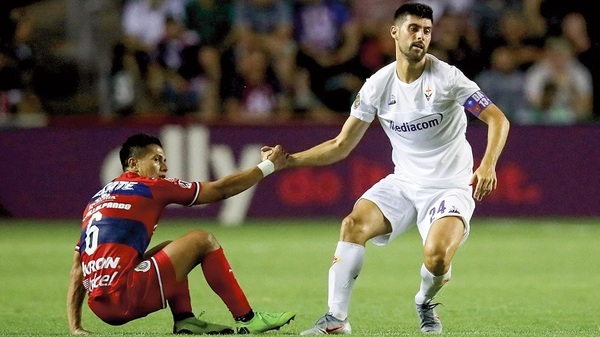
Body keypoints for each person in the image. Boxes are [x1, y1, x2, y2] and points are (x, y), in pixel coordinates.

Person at [280, 3, 510, 334]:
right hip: (403, 183)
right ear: (395, 32)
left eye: (427, 31)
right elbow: (341, 145)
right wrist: (291, 160)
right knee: (353, 224)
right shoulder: (377, 86)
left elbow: (497, 119)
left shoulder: (447, 78)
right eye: (413, 28)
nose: (421, 36)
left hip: (449, 187)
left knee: (437, 258)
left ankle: (424, 301)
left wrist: (488, 164)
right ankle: (336, 318)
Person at [66, 133, 295, 335]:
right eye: (157, 160)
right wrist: (268, 166)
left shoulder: (97, 200)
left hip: (99, 305)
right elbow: (221, 189)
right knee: (202, 240)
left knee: (169, 249)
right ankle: (248, 319)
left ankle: (185, 319)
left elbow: (78, 266)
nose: (164, 167)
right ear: (133, 164)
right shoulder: (149, 187)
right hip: (125, 295)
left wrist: (75, 326)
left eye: (164, 160)